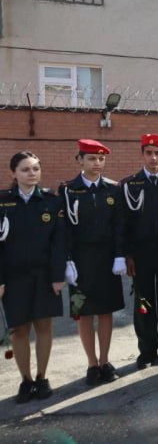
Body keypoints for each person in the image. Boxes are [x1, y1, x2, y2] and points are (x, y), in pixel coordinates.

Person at [0, 152, 66, 403]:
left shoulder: (51, 201)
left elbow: (59, 242)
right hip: (13, 277)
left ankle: (42, 377)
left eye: (36, 169)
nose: (32, 174)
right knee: (19, 330)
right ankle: (26, 380)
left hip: (44, 275)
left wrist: (58, 276)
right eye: (26, 169)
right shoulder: (3, 202)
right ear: (13, 173)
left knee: (44, 326)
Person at [61, 139, 126, 386]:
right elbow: (65, 229)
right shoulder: (68, 190)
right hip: (80, 264)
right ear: (80, 160)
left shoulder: (113, 189)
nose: (97, 163)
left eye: (101, 159)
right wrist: (66, 260)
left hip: (107, 261)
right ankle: (91, 363)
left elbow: (119, 226)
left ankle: (105, 360)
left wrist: (120, 254)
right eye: (91, 158)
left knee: (106, 311)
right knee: (84, 313)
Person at [120, 134, 158, 370]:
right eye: (149, 152)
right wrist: (128, 254)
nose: (153, 157)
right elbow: (124, 223)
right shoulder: (130, 185)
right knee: (144, 301)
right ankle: (147, 348)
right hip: (142, 254)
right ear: (142, 154)